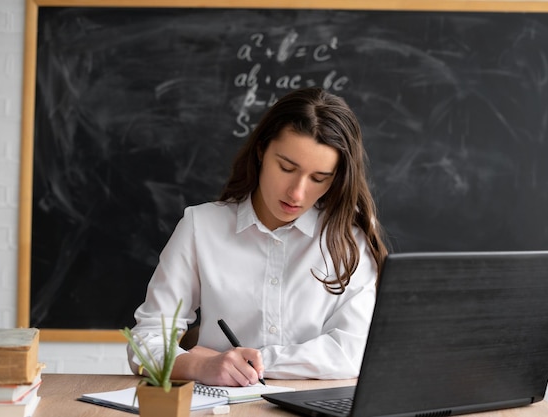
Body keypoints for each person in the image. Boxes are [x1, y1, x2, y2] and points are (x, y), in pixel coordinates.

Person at [127, 87, 388, 387]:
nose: (297, 193)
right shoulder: (202, 226)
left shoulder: (348, 240)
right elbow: (144, 344)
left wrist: (250, 362)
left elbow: (353, 352)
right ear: (262, 150)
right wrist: (201, 365)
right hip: (223, 406)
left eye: (319, 178)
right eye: (286, 168)